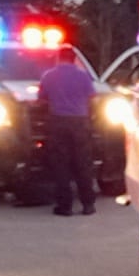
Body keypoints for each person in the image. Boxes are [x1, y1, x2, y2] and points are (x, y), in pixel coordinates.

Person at [37, 46, 97, 216]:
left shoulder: (49, 76)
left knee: (61, 165)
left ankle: (65, 206)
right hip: (80, 122)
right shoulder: (83, 76)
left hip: (58, 123)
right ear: (74, 59)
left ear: (59, 58)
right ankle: (88, 205)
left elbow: (41, 98)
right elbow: (92, 96)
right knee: (83, 163)